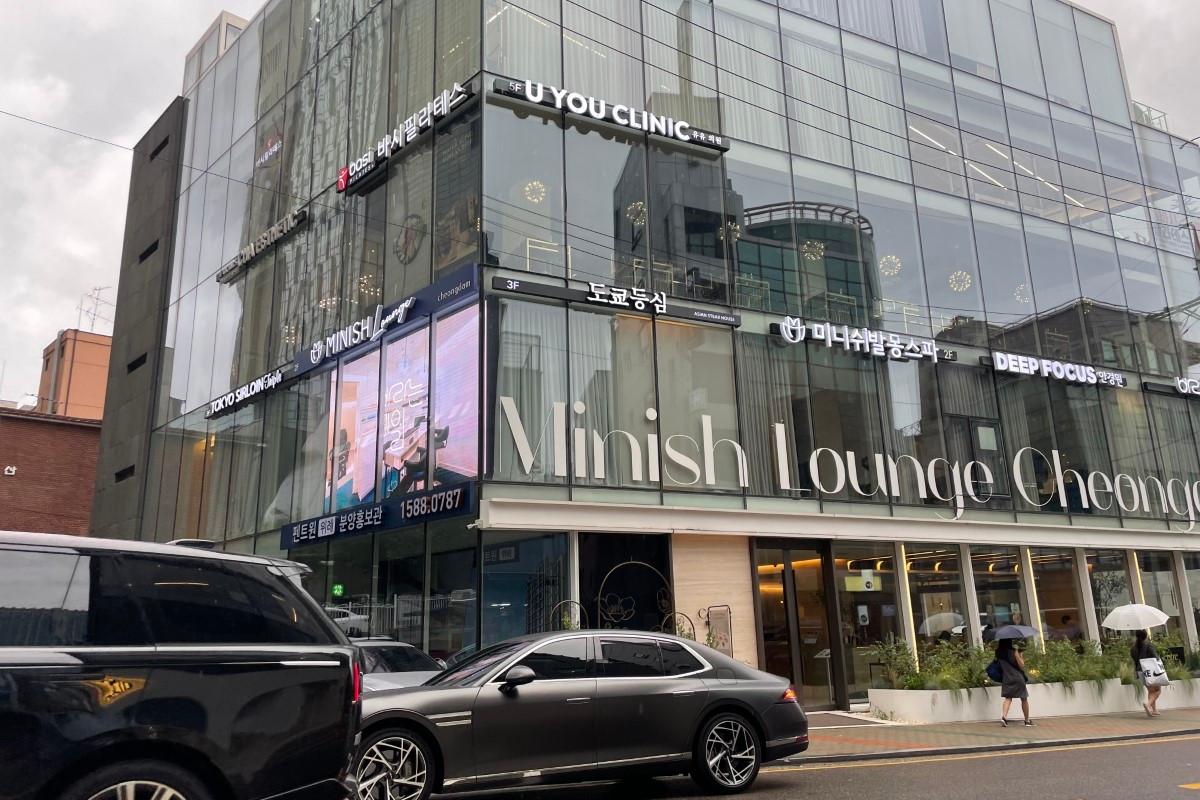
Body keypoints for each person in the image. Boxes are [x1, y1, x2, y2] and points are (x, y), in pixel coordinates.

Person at [997, 638, 1032, 727]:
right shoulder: (1014, 652)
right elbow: (1022, 665)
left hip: (1007, 678)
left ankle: (1004, 717)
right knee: (1024, 699)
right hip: (1018, 678)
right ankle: (1027, 720)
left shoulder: (999, 653)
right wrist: (1018, 654)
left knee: (1008, 698)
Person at [1132, 630, 1162, 717]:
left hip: (1140, 671)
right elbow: (1155, 657)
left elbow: (1135, 661)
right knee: (1157, 690)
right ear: (1146, 636)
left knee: (1151, 691)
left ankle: (1154, 710)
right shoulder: (1148, 645)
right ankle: (1148, 704)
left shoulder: (1133, 648)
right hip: (1151, 670)